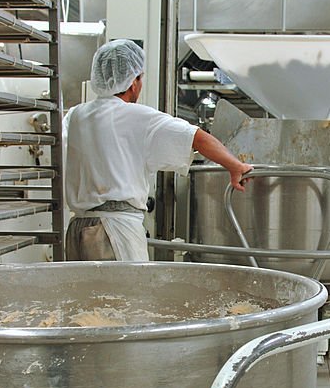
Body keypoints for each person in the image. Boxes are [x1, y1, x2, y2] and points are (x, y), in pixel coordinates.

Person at [64, 39, 252, 261]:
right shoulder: (136, 117)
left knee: (84, 294)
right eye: (140, 78)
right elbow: (198, 139)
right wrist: (235, 166)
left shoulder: (76, 115)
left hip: (78, 229)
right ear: (133, 82)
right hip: (114, 232)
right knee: (125, 294)